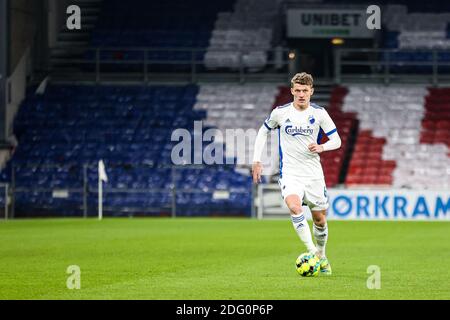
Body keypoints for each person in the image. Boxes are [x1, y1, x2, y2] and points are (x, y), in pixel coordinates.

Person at [252, 72, 341, 275]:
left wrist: (322, 147)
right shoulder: (280, 113)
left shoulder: (319, 113)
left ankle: (322, 254)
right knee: (294, 206)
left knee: (320, 220)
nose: (301, 94)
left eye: (305, 91)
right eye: (298, 90)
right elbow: (263, 131)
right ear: (292, 91)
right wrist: (257, 160)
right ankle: (313, 254)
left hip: (314, 176)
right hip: (290, 174)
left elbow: (337, 141)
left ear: (311, 91)